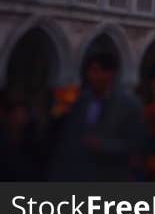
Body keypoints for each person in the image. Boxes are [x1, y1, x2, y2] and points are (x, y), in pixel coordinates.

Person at [48, 52, 145, 181]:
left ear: (110, 74)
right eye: (90, 71)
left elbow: (136, 146)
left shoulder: (130, 105)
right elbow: (68, 140)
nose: (92, 77)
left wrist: (103, 145)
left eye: (97, 71)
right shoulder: (80, 101)